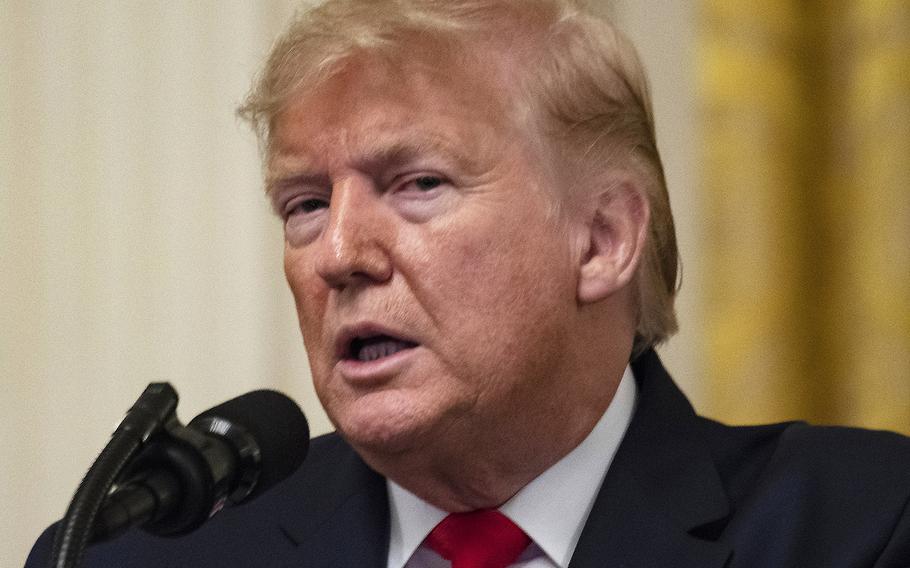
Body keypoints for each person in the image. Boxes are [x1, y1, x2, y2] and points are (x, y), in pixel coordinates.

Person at [27, 1, 910, 566]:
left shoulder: (859, 527)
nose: (337, 253)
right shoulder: (140, 554)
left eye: (418, 184)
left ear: (602, 240)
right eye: (302, 203)